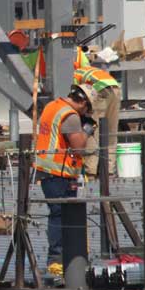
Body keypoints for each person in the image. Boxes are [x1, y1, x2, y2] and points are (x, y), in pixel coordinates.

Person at [34, 82, 97, 276]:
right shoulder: (70, 116)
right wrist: (86, 129)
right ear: (83, 102)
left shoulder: (53, 106)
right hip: (59, 173)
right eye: (87, 108)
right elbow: (78, 147)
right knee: (62, 215)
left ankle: (64, 258)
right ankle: (59, 259)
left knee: (58, 214)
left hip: (46, 169)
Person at [74, 47, 122, 177]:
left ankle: (91, 172)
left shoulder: (75, 75)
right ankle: (109, 170)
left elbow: (75, 100)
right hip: (115, 88)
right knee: (111, 131)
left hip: (100, 91)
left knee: (93, 130)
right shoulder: (89, 70)